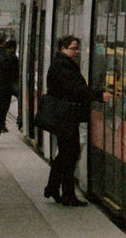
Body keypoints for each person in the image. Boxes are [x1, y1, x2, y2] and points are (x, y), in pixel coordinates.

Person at [43, 35, 110, 206]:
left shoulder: (62, 64)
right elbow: (75, 88)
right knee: (69, 154)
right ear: (63, 48)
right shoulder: (62, 66)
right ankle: (65, 194)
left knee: (66, 154)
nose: (76, 52)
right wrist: (97, 95)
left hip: (64, 116)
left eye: (77, 48)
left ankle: (55, 188)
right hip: (65, 116)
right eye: (73, 48)